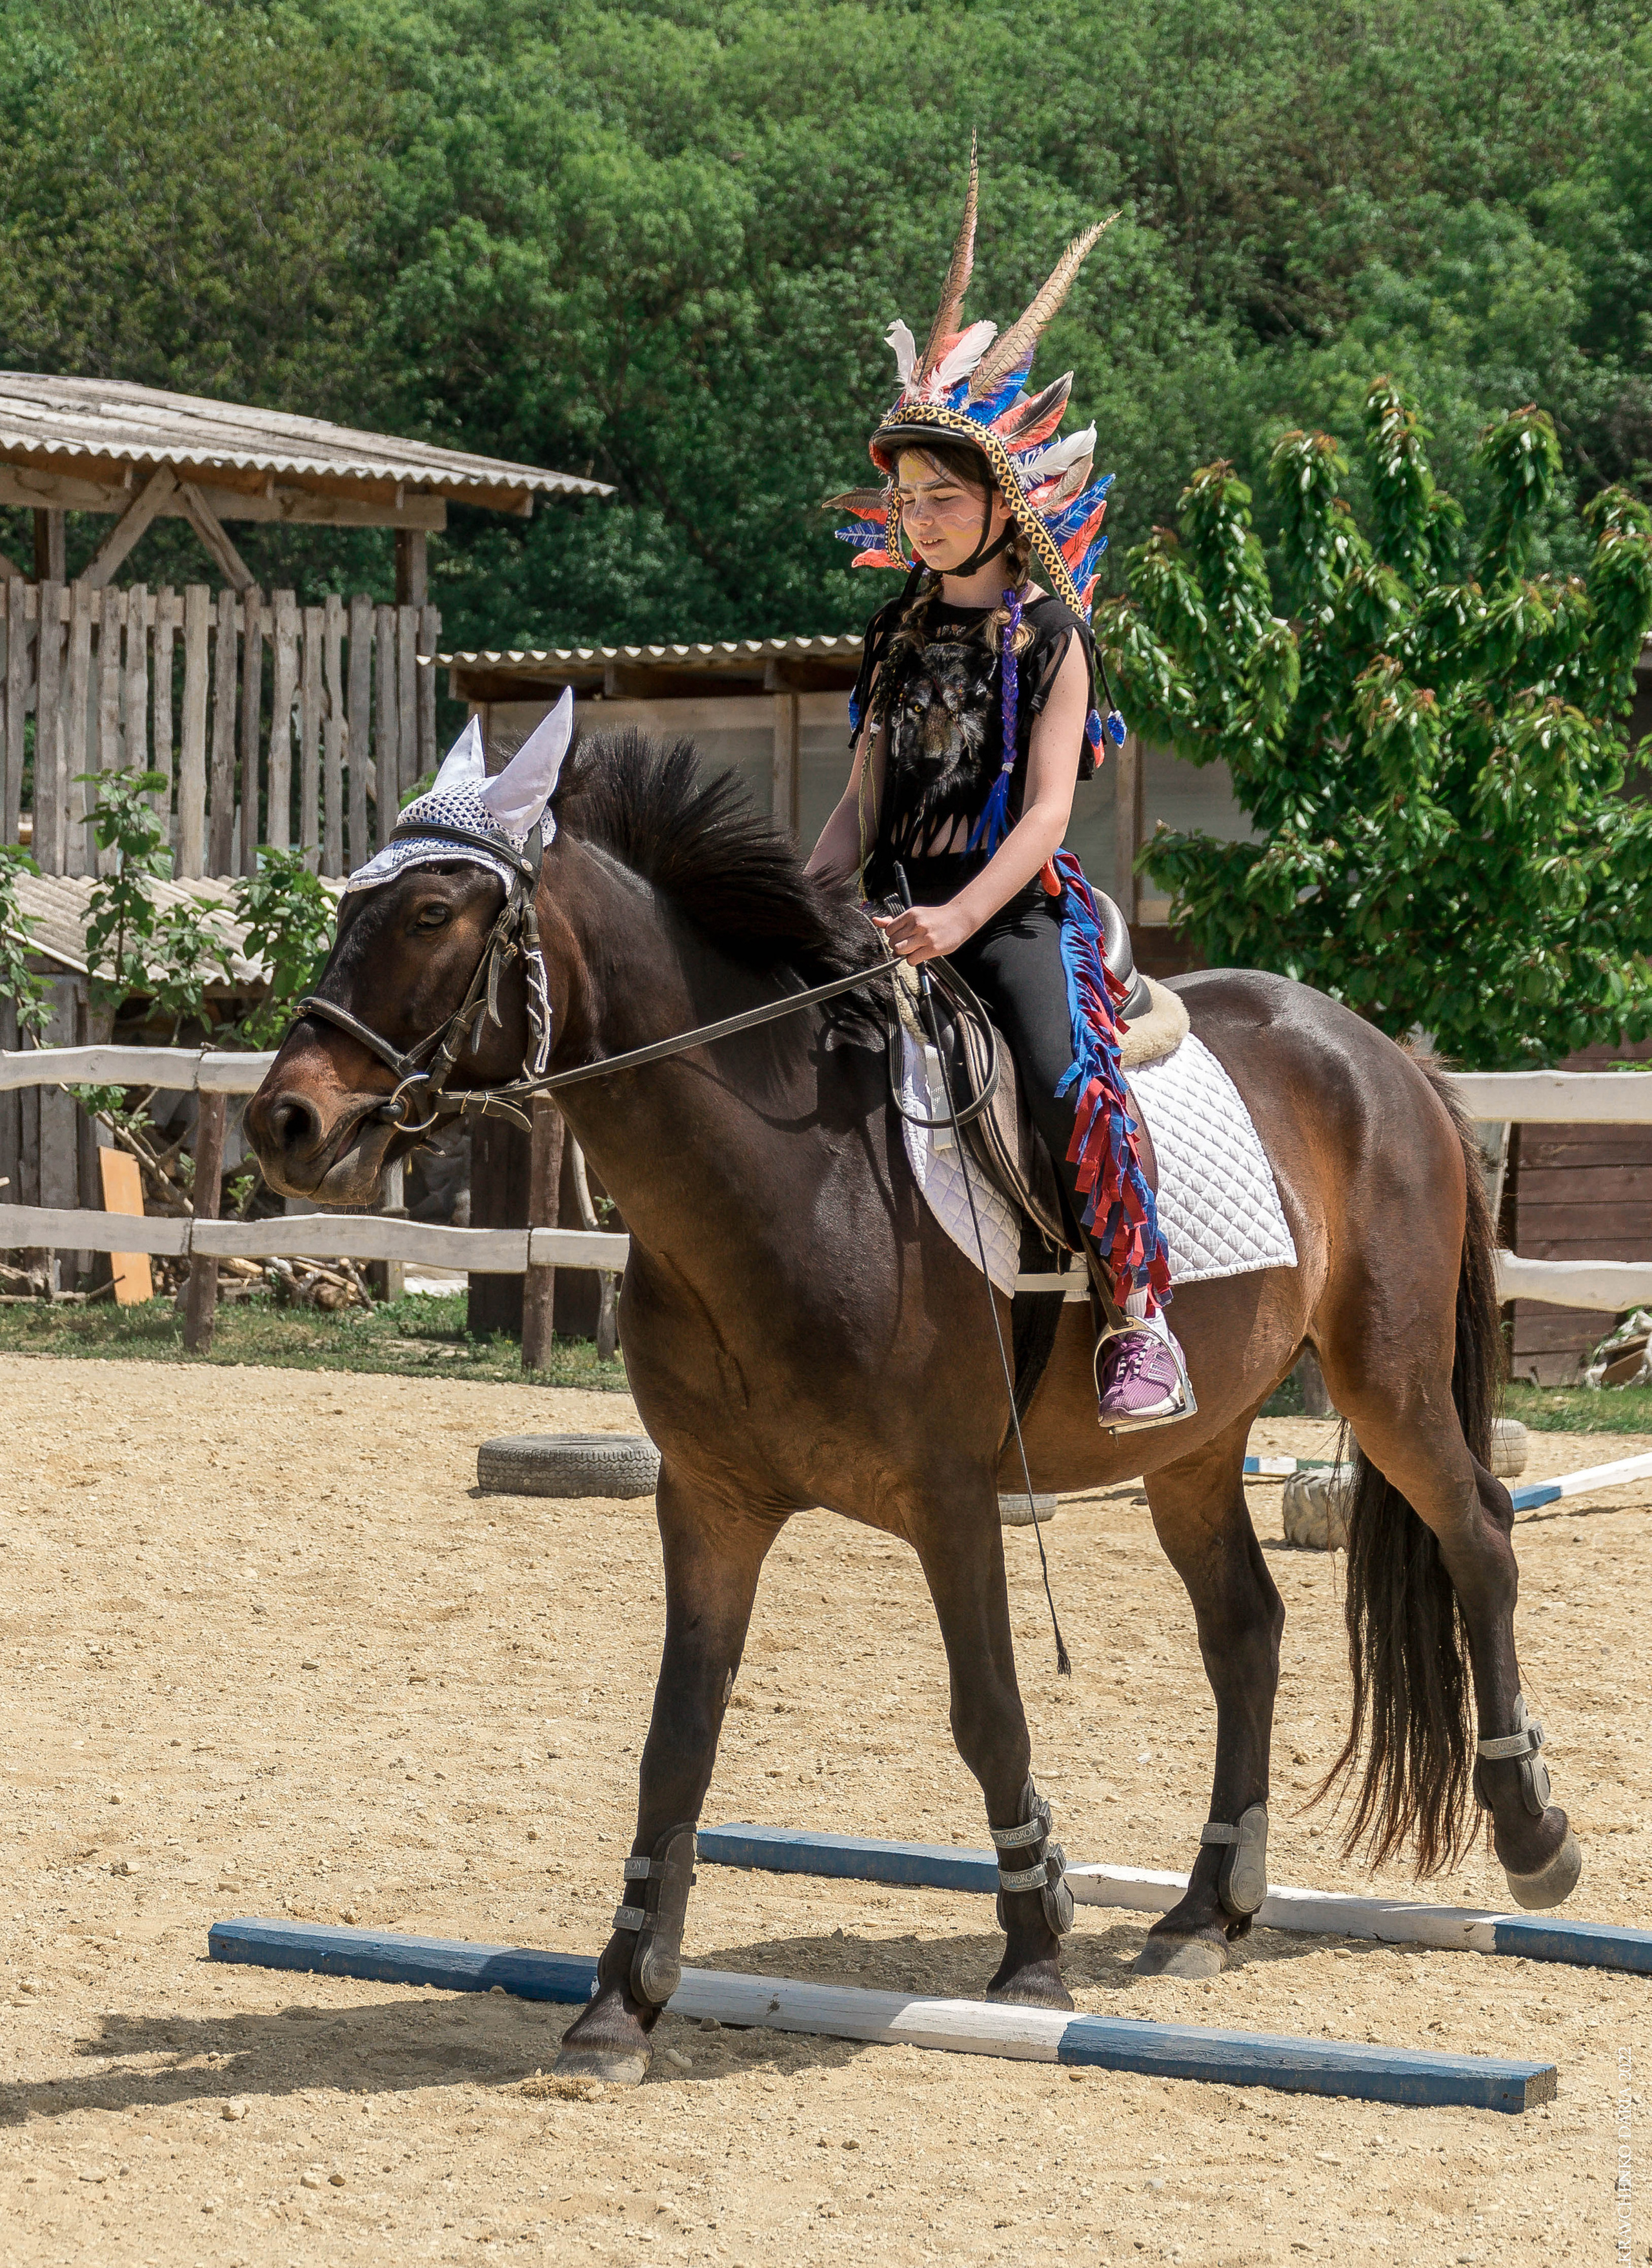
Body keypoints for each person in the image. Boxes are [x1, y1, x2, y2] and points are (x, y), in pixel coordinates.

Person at [805, 145, 1189, 1428]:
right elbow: (859, 795)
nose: (915, 515)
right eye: (902, 496)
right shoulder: (892, 636)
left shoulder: (1052, 637)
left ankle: (1138, 1317)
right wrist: (798, 896)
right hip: (884, 899)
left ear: (998, 501)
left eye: (939, 493)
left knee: (1067, 1069)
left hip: (1007, 908)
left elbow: (1041, 818)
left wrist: (956, 922)